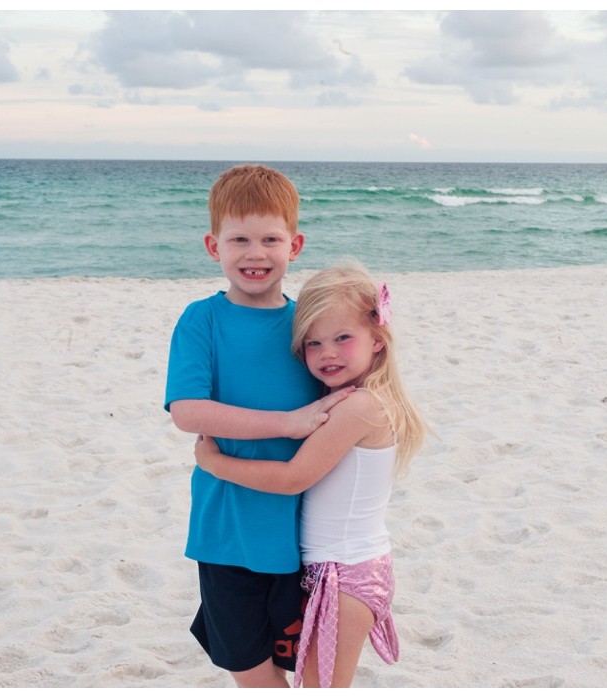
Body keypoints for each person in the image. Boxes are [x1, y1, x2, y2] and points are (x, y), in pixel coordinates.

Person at [194, 263, 427, 688]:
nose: (327, 354)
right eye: (313, 343)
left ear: (378, 339)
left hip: (346, 573)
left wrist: (214, 463)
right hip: (332, 568)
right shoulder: (348, 399)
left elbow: (292, 478)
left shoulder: (360, 407)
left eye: (343, 338)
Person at [165, 164, 352, 688]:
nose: (256, 253)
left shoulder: (309, 325)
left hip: (306, 535)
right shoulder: (202, 319)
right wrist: (287, 423)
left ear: (295, 245)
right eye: (239, 240)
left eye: (270, 239)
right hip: (226, 533)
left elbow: (351, 386)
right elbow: (187, 411)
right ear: (213, 246)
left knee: (309, 673)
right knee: (252, 675)